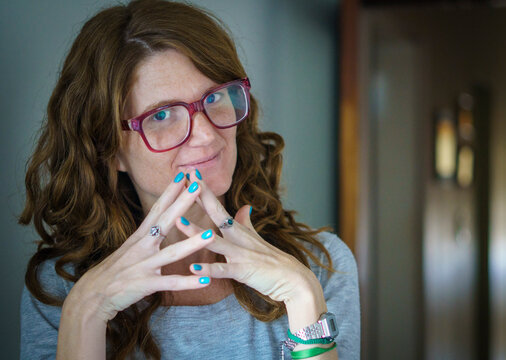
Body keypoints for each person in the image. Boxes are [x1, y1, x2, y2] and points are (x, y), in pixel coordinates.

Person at [19, 0, 360, 359]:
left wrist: (304, 298)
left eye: (215, 97)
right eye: (162, 114)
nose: (206, 135)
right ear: (109, 148)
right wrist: (85, 313)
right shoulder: (60, 288)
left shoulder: (322, 265)